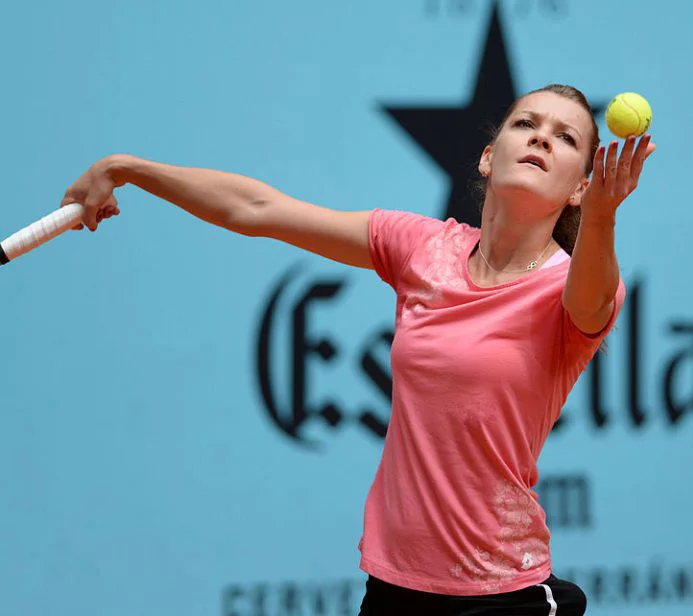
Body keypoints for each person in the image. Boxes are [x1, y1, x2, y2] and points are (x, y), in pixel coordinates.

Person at [62, 83, 655, 615]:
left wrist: (602, 219)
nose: (541, 138)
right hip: (394, 585)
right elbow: (258, 210)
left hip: (504, 596)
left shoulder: (570, 284)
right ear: (486, 155)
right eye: (526, 124)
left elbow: (591, 300)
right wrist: (128, 168)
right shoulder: (423, 249)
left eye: (565, 137)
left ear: (581, 186)